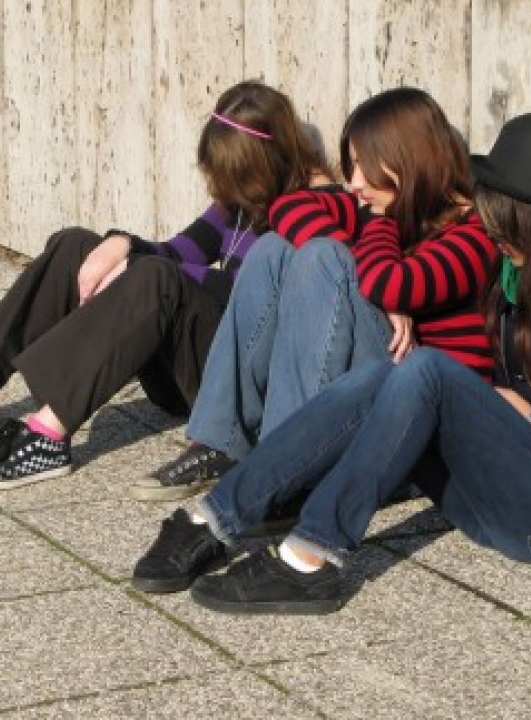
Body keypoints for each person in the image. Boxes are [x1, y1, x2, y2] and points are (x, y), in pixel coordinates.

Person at [129, 112, 531, 614]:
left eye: (502, 214)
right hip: (496, 496)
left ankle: (312, 555)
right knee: (390, 372)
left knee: (426, 367)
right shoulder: (526, 279)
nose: (490, 225)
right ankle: (214, 518)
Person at [0, 81, 329, 490]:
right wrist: (123, 244)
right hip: (185, 366)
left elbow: (251, 296)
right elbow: (183, 250)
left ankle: (48, 434)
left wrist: (138, 266)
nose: (224, 191)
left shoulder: (317, 208)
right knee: (76, 244)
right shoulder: (245, 194)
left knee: (155, 277)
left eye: (235, 178)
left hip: (233, 386)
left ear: (268, 160)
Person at [127, 87, 498, 501]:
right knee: (275, 247)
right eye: (352, 166)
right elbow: (286, 208)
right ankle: (222, 443)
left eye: (365, 166)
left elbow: (390, 283)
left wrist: (376, 238)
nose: (354, 184)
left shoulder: (475, 234)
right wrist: (367, 259)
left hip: (426, 425)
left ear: (408, 161)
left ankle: (287, 471)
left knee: (324, 256)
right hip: (388, 377)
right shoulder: (393, 209)